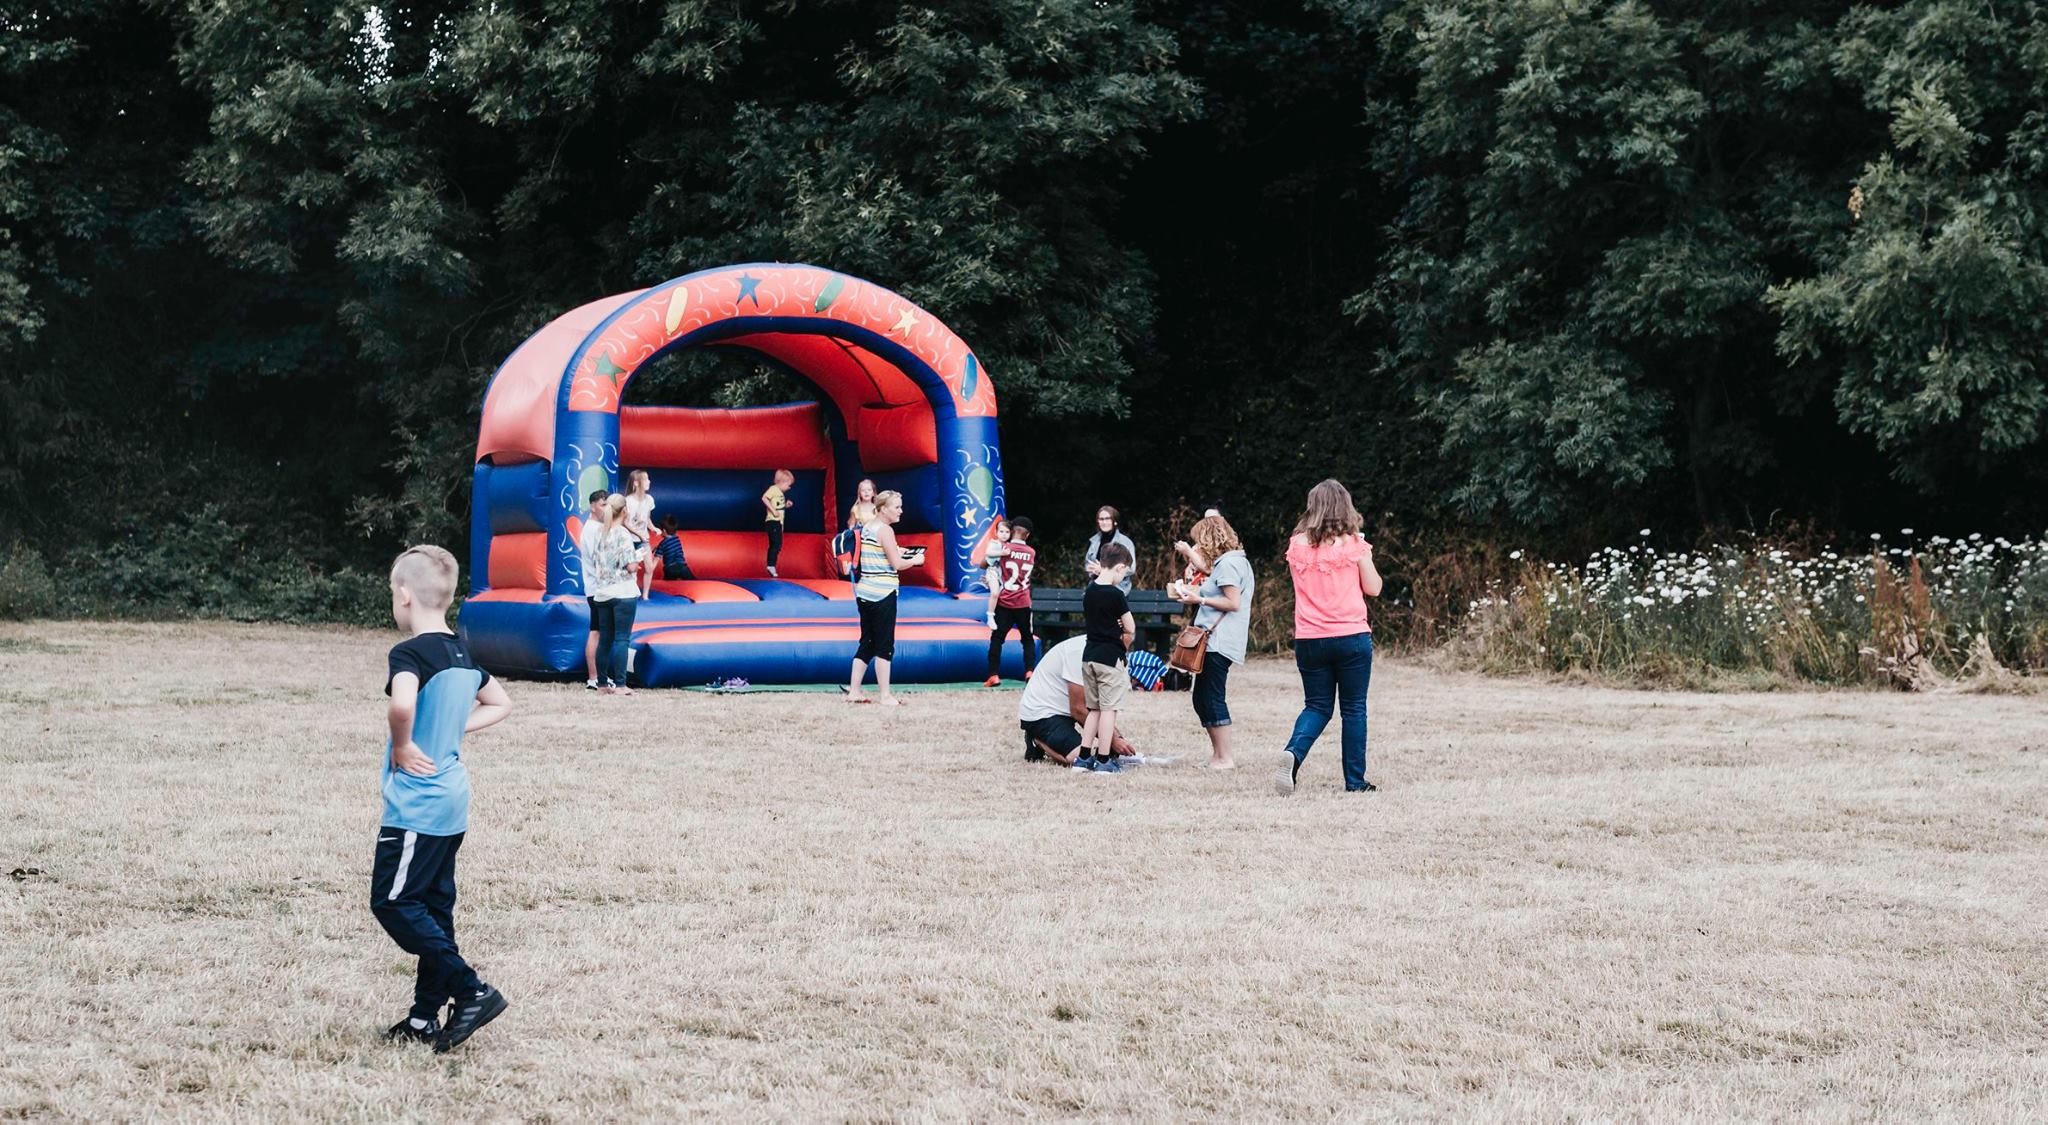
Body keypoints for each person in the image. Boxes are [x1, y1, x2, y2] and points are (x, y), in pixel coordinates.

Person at [374, 545, 513, 1053]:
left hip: (418, 806)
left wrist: (404, 743)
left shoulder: (409, 655)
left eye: (394, 592)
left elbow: (402, 704)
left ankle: (471, 989)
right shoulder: (461, 652)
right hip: (452, 801)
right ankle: (421, 1018)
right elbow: (501, 703)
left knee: (393, 901)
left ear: (405, 595)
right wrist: (456, 727)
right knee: (434, 910)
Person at [1276, 479, 1384, 795]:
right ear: (1345, 507)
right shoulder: (1355, 546)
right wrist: (1362, 552)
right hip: (1350, 635)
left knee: (1317, 706)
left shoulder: (1296, 546)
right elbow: (1374, 588)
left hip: (1309, 638)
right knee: (1353, 709)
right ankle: (1355, 781)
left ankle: (1293, 754)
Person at [1174, 516, 1254, 770]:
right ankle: (1217, 755)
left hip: (1219, 640)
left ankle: (1225, 757)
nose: (1197, 546)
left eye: (1199, 541)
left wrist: (1200, 601)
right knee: (1202, 697)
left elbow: (1233, 602)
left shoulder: (1229, 565)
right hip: (1215, 639)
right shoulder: (1229, 562)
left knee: (1212, 697)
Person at [1017, 634, 1136, 766]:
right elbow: (1078, 709)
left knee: (1090, 755)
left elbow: (1104, 708)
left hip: (1064, 713)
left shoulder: (1108, 653)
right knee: (1077, 759)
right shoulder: (1078, 653)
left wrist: (1118, 738)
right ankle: (1035, 739)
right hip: (1041, 714)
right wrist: (1112, 740)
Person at [847, 490, 919, 705]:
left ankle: (854, 691)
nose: (900, 511)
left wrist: (903, 552)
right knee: (885, 645)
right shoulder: (886, 530)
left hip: (864, 592)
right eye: (896, 507)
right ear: (884, 508)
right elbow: (897, 564)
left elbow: (883, 551)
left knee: (867, 642)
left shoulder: (868, 527)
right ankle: (885, 695)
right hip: (883, 592)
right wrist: (916, 560)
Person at [1077, 543, 1134, 772]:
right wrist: (1123, 632)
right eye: (1124, 572)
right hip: (1109, 659)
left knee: (1094, 709)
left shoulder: (1089, 590)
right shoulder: (1116, 595)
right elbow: (1130, 628)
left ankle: (1083, 757)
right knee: (1109, 710)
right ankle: (1103, 760)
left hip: (1088, 656)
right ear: (1119, 568)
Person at [587, 493, 644, 695]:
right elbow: (630, 566)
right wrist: (639, 558)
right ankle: (621, 684)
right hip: (623, 592)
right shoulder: (622, 534)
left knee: (605, 640)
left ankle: (602, 683)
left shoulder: (600, 533)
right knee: (622, 639)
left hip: (602, 593)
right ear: (625, 511)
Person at [984, 517, 1037, 687]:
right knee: (1027, 638)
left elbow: (983, 563)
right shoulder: (1031, 552)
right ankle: (1029, 670)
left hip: (1005, 600)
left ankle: (993, 674)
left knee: (997, 638)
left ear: (1012, 531)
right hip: (1023, 600)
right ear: (1027, 535)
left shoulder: (1004, 548)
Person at [577, 488, 609, 690]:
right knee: (596, 632)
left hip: (598, 588)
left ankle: (596, 677)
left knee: (598, 631)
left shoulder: (597, 528)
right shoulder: (591, 530)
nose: (605, 509)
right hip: (597, 588)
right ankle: (594, 677)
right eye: (602, 505)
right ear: (593, 506)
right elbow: (599, 559)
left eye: (607, 505)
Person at [1083, 506, 1137, 595]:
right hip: (1095, 590)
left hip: (1117, 591)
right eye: (1101, 519)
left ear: (1115, 521)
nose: (1104, 522)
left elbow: (1131, 568)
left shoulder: (1125, 542)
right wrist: (1091, 570)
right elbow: (1088, 564)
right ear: (1098, 522)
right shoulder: (1094, 541)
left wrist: (1103, 571)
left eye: (1108, 519)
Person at [624, 469, 656, 597]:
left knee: (649, 567)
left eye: (648, 479)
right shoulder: (628, 501)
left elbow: (647, 518)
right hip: (630, 540)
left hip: (643, 541)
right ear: (636, 483)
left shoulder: (649, 499)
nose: (649, 481)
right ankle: (632, 594)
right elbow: (625, 523)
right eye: (645, 479)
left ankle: (645, 595)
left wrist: (653, 528)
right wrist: (638, 534)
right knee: (632, 570)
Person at [762, 468, 794, 577]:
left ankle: (772, 565)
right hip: (773, 521)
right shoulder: (774, 489)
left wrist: (786, 505)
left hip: (778, 522)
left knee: (777, 544)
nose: (789, 488)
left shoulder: (779, 493)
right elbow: (764, 498)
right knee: (776, 544)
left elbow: (779, 507)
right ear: (781, 482)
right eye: (788, 485)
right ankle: (771, 565)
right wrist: (773, 510)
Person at [981, 519, 1011, 630]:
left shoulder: (1009, 546)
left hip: (1003, 574)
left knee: (1003, 595)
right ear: (996, 532)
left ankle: (1003, 617)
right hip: (993, 571)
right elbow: (988, 552)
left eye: (1007, 532)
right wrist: (1001, 553)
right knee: (994, 593)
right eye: (1001, 531)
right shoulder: (994, 543)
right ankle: (990, 616)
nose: (1004, 535)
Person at [654, 513, 694, 581]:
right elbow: (670, 544)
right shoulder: (677, 539)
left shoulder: (662, 544)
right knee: (693, 581)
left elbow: (657, 558)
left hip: (670, 569)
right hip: (682, 567)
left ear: (664, 531)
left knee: (667, 584)